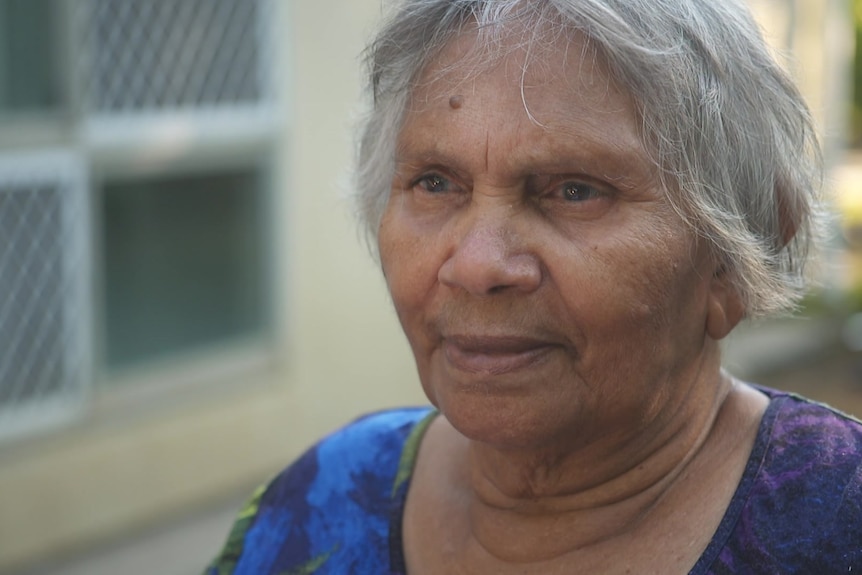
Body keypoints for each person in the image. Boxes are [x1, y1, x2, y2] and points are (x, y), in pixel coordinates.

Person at [205, 0, 862, 573]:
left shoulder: (838, 520)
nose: (476, 265)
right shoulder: (323, 497)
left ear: (737, 255)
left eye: (574, 190)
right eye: (436, 181)